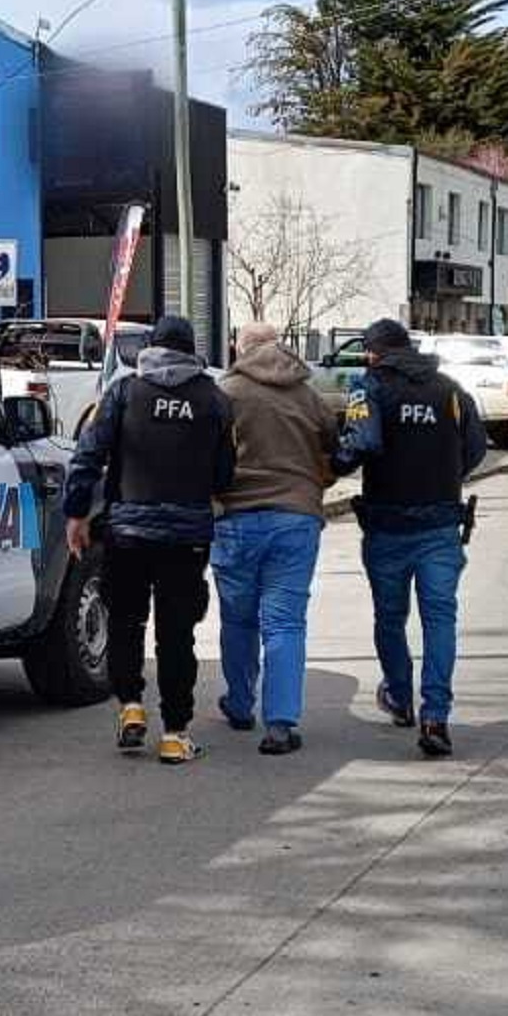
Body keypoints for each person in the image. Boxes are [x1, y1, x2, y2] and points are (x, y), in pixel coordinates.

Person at [65, 314, 235, 764]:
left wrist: (77, 513)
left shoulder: (123, 392)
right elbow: (225, 473)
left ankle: (131, 707)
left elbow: (88, 453)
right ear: (192, 349)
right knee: (176, 635)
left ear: (151, 346)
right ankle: (176, 734)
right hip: (187, 536)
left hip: (128, 533)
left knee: (126, 623)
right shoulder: (215, 399)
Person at [333, 318, 488, 757]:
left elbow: (360, 443)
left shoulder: (370, 387)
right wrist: (444, 477)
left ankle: (400, 696)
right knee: (440, 620)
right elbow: (475, 448)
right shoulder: (451, 390)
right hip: (441, 524)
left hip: (387, 524)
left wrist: (333, 462)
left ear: (373, 352)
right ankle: (435, 714)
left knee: (390, 617)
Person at [212, 323, 339, 756]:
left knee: (237, 618)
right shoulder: (308, 394)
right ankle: (281, 724)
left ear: (240, 349)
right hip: (295, 518)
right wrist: (316, 483)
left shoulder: (225, 392)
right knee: (285, 623)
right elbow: (335, 449)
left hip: (234, 517)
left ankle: (241, 703)